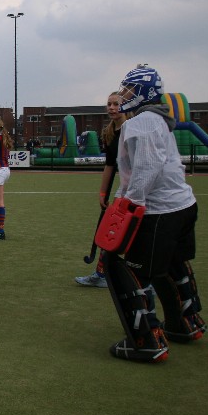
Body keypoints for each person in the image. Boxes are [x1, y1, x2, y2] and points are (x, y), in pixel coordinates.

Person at [105, 65, 207, 362]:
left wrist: (129, 206)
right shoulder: (158, 119)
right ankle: (184, 322)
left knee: (133, 271)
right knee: (173, 265)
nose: (124, 95)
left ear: (144, 92)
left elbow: (146, 168)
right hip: (181, 205)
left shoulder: (143, 123)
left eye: (129, 90)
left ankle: (146, 340)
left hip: (159, 210)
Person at [75, 93, 125, 288]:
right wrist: (103, 192)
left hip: (139, 191)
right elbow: (110, 165)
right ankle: (101, 274)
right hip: (125, 190)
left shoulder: (133, 129)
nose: (111, 107)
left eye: (116, 104)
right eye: (109, 104)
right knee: (110, 229)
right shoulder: (109, 132)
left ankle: (146, 280)